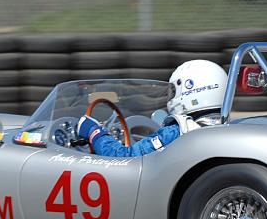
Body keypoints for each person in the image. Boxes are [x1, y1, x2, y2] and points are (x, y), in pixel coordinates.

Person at [76, 60, 228, 157]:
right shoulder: (226, 127)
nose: (171, 96)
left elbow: (124, 156)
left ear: (189, 90)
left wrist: (95, 132)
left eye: (173, 91)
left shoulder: (178, 131)